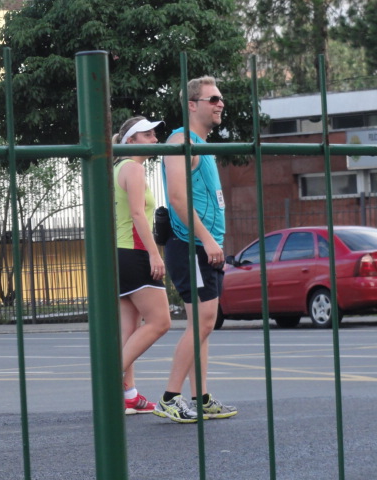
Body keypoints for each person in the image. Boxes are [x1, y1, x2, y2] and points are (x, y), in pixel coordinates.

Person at [153, 76, 238, 423]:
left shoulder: (202, 145)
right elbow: (177, 197)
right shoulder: (180, 141)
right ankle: (169, 398)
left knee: (203, 325)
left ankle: (200, 397)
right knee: (203, 322)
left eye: (220, 98)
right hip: (190, 245)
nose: (220, 104)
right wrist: (207, 239)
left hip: (205, 247)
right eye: (212, 99)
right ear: (192, 105)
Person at [113, 116, 172, 415]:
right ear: (131, 140)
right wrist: (154, 254)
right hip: (134, 252)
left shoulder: (118, 168)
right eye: (147, 134)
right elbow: (137, 214)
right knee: (161, 322)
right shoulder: (133, 168)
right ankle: (109, 382)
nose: (154, 139)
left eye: (154, 134)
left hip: (120, 253)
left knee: (129, 330)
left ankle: (129, 395)